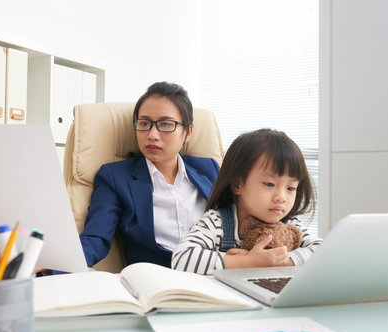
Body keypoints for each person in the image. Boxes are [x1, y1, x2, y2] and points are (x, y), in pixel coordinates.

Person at [78, 81, 220, 268]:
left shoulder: (208, 169)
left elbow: (237, 221)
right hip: (159, 280)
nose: (152, 134)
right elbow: (95, 239)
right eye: (144, 123)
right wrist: (49, 264)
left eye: (166, 124)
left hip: (216, 273)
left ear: (187, 133)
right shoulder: (115, 177)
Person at [171, 128, 322, 275]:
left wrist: (279, 261)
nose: (281, 197)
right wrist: (249, 262)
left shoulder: (289, 224)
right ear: (238, 185)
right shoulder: (217, 222)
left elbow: (323, 250)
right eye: (269, 184)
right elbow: (181, 258)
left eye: (290, 188)